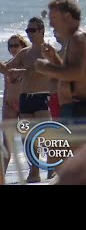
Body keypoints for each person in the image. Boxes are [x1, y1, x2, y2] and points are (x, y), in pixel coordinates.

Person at [35, 0, 86, 121]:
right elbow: (76, 75)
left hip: (81, 110)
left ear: (66, 16)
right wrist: (54, 59)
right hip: (82, 108)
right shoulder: (79, 37)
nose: (50, 24)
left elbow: (76, 73)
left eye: (54, 18)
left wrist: (45, 67)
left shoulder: (78, 38)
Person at [0, 18, 52, 183]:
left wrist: (22, 71)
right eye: (28, 30)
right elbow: (8, 69)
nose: (29, 33)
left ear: (42, 31)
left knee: (46, 136)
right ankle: (34, 173)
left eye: (33, 30)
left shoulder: (48, 50)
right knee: (28, 139)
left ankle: (54, 169)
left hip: (42, 97)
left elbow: (43, 69)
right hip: (25, 100)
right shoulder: (24, 53)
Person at [0, 34, 28, 176]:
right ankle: (2, 176)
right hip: (9, 105)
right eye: (10, 46)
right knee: (6, 142)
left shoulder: (28, 64)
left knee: (27, 139)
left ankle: (37, 172)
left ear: (23, 46)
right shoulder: (8, 64)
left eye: (16, 45)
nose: (13, 48)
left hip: (24, 105)